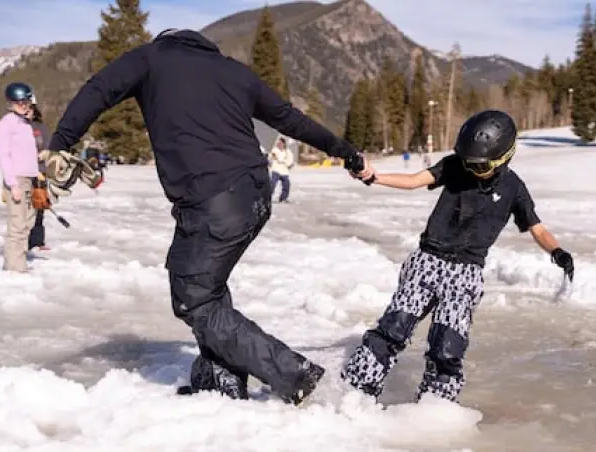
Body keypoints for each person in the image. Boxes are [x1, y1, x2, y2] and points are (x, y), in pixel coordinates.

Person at [42, 28, 366, 405]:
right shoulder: (233, 71)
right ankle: (221, 381)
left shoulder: (150, 58)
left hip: (214, 198)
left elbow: (98, 90)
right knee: (208, 286)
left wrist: (60, 143)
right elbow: (289, 119)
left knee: (194, 299)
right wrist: (345, 151)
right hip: (254, 192)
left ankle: (293, 373)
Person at [341, 110, 575, 404]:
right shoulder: (454, 166)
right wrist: (373, 176)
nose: (470, 168)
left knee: (447, 346)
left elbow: (537, 229)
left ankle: (435, 408)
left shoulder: (514, 188)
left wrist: (557, 251)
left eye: (479, 166)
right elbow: (415, 179)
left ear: (504, 158)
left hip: (465, 273)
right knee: (393, 328)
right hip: (427, 262)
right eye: (467, 161)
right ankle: (354, 390)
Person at [0, 82, 40, 273]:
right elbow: (4, 155)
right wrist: (13, 184)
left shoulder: (26, 123)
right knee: (17, 225)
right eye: (18, 102)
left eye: (25, 101)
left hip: (30, 179)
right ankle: (15, 267)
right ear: (11, 103)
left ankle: (17, 261)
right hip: (17, 180)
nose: (23, 105)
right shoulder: (7, 124)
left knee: (28, 222)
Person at [28, 101, 52, 252]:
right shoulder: (16, 126)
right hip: (22, 173)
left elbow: (48, 147)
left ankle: (37, 240)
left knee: (39, 205)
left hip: (40, 171)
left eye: (29, 108)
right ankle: (22, 239)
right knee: (23, 208)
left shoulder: (41, 128)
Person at [268, 138, 295, 203]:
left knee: (286, 185)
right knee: (272, 184)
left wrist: (283, 161)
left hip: (284, 171)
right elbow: (270, 158)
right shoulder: (275, 150)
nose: (279, 144)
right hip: (276, 170)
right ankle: (268, 197)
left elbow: (290, 162)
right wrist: (271, 159)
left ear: (284, 144)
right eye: (278, 143)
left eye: (280, 143)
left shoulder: (288, 151)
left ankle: (283, 198)